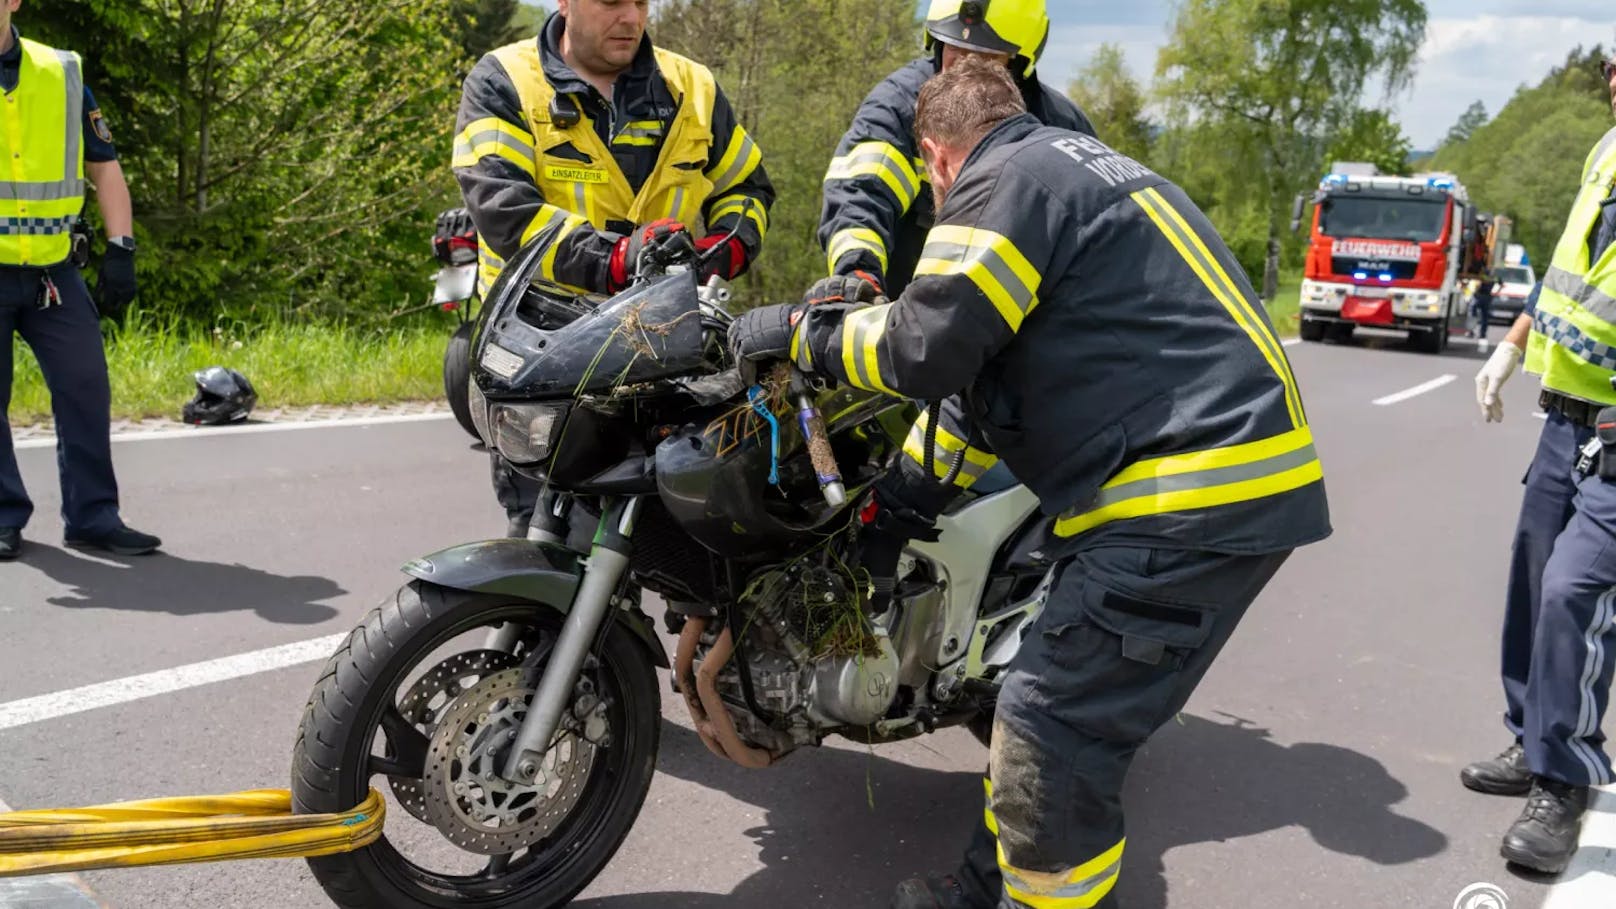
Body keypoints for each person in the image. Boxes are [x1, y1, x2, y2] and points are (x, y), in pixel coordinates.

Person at [729, 59, 1331, 909]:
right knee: (1041, 711)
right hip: (1218, 477)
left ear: (937, 158)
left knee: (1050, 729)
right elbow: (980, 394)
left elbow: (919, 349)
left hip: (1186, 498)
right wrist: (900, 504)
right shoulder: (1068, 165)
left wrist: (802, 332)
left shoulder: (1001, 180)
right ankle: (982, 891)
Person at [452, 0, 775, 537]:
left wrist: (720, 250)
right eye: (610, 2)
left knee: (675, 550)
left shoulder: (693, 87)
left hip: (661, 361)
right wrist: (620, 259)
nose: (630, 18)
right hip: (543, 361)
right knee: (546, 550)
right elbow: (503, 210)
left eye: (641, 2)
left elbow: (746, 187)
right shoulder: (503, 80)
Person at [1462, 52, 1616, 874]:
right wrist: (1513, 348)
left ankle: (1565, 773)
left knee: (1574, 591)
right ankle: (1530, 736)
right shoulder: (1607, 150)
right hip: (1564, 416)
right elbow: (1565, 267)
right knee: (1532, 576)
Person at [0, 0, 158, 560]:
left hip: (53, 272)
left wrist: (122, 248)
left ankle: (93, 517)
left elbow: (104, 168)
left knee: (85, 388)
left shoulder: (60, 71)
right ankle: (2, 516)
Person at [817, 0, 1094, 300]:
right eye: (954, 50)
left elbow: (1092, 232)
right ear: (936, 44)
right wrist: (857, 273)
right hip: (904, 305)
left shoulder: (1060, 125)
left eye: (983, 58)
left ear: (1017, 63)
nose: (965, 68)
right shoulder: (898, 109)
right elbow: (860, 194)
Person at [1470, 272, 1500, 350]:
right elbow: (1501, 284)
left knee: (1473, 315)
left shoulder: (1482, 275)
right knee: (1485, 317)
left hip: (1479, 297)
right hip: (1487, 298)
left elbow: (1478, 285)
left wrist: (1475, 292)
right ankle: (1482, 333)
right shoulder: (1494, 277)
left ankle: (1471, 331)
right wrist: (1495, 293)